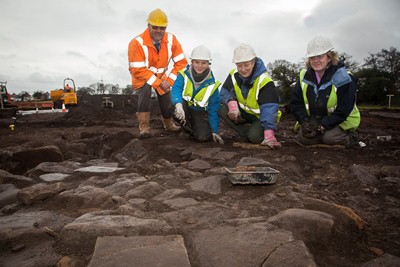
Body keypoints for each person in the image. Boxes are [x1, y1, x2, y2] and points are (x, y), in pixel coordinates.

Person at [128, 8, 188, 138]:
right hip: (142, 77)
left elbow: (181, 63)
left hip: (162, 78)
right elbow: (137, 70)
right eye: (155, 27)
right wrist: (158, 83)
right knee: (146, 89)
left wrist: (169, 81)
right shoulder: (136, 43)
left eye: (162, 28)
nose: (159, 31)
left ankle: (168, 124)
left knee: (166, 96)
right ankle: (144, 128)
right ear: (148, 26)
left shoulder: (172, 40)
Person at [290, 36, 361, 146]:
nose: (315, 61)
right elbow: (296, 102)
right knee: (306, 139)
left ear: (329, 57)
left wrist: (323, 126)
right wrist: (304, 121)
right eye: (312, 57)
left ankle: (352, 137)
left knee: (330, 139)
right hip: (316, 117)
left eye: (320, 56)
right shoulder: (303, 76)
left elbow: (344, 108)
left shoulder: (344, 77)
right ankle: (320, 133)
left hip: (342, 119)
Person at [218, 43, 282, 148]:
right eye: (239, 65)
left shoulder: (264, 81)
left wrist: (269, 133)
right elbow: (224, 91)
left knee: (255, 138)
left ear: (253, 62)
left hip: (261, 117)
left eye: (246, 65)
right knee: (221, 108)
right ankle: (246, 132)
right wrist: (231, 103)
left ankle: (260, 132)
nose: (243, 69)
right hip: (245, 113)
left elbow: (269, 108)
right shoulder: (233, 74)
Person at [171, 45, 224, 144]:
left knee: (203, 137)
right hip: (184, 108)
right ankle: (186, 130)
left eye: (203, 63)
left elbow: (213, 110)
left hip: (199, 113)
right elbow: (176, 89)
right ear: (192, 62)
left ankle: (193, 131)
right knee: (172, 107)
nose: (199, 66)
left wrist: (214, 131)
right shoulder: (183, 74)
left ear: (209, 63)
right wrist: (178, 105)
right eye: (196, 62)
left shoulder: (213, 85)